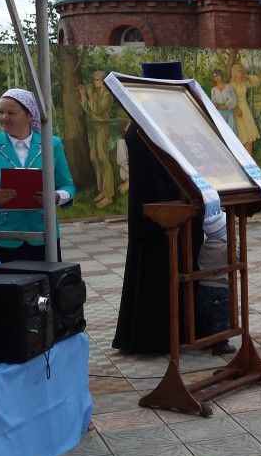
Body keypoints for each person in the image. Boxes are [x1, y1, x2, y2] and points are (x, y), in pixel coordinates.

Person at [113, 62, 204, 354]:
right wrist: (174, 208)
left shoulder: (172, 121)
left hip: (184, 209)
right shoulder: (142, 127)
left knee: (184, 268)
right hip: (159, 217)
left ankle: (188, 331)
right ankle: (156, 338)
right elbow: (149, 180)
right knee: (158, 273)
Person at [0, 88, 75, 262]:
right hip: (0, 237)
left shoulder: (52, 144)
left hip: (44, 235)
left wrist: (56, 196)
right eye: (0, 112)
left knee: (46, 280)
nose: (3, 117)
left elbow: (67, 186)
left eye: (11, 113)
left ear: (30, 115)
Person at [195, 210, 236, 356]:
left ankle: (207, 340)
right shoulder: (226, 248)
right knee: (221, 319)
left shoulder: (204, 246)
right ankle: (220, 344)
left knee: (206, 318)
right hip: (220, 290)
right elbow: (237, 256)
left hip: (203, 288)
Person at [79, 71, 115, 209]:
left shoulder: (107, 96)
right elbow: (90, 111)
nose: (95, 82)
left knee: (103, 158)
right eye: (94, 79)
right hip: (95, 126)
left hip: (103, 127)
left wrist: (89, 95)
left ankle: (109, 195)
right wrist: (83, 95)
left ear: (104, 81)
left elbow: (97, 110)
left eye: (97, 80)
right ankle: (102, 190)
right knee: (94, 157)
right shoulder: (95, 95)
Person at [229, 62, 260, 154]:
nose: (241, 72)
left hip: (245, 108)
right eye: (238, 71)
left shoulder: (244, 83)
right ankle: (241, 158)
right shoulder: (231, 85)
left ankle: (249, 159)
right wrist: (236, 108)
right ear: (234, 73)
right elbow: (230, 99)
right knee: (242, 135)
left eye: (241, 70)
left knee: (249, 136)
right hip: (236, 110)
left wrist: (247, 76)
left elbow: (257, 81)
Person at [209, 69, 237, 135]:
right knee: (221, 130)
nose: (217, 78)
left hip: (228, 111)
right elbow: (213, 100)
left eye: (218, 75)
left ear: (221, 75)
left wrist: (226, 105)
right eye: (215, 76)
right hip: (219, 113)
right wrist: (215, 104)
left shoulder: (228, 87)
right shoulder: (213, 90)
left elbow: (232, 98)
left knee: (230, 129)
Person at [115, 118, 130, 195]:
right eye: (128, 127)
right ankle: (123, 189)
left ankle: (124, 185)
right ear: (124, 129)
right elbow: (122, 162)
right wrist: (132, 173)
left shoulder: (129, 141)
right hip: (125, 170)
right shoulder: (121, 142)